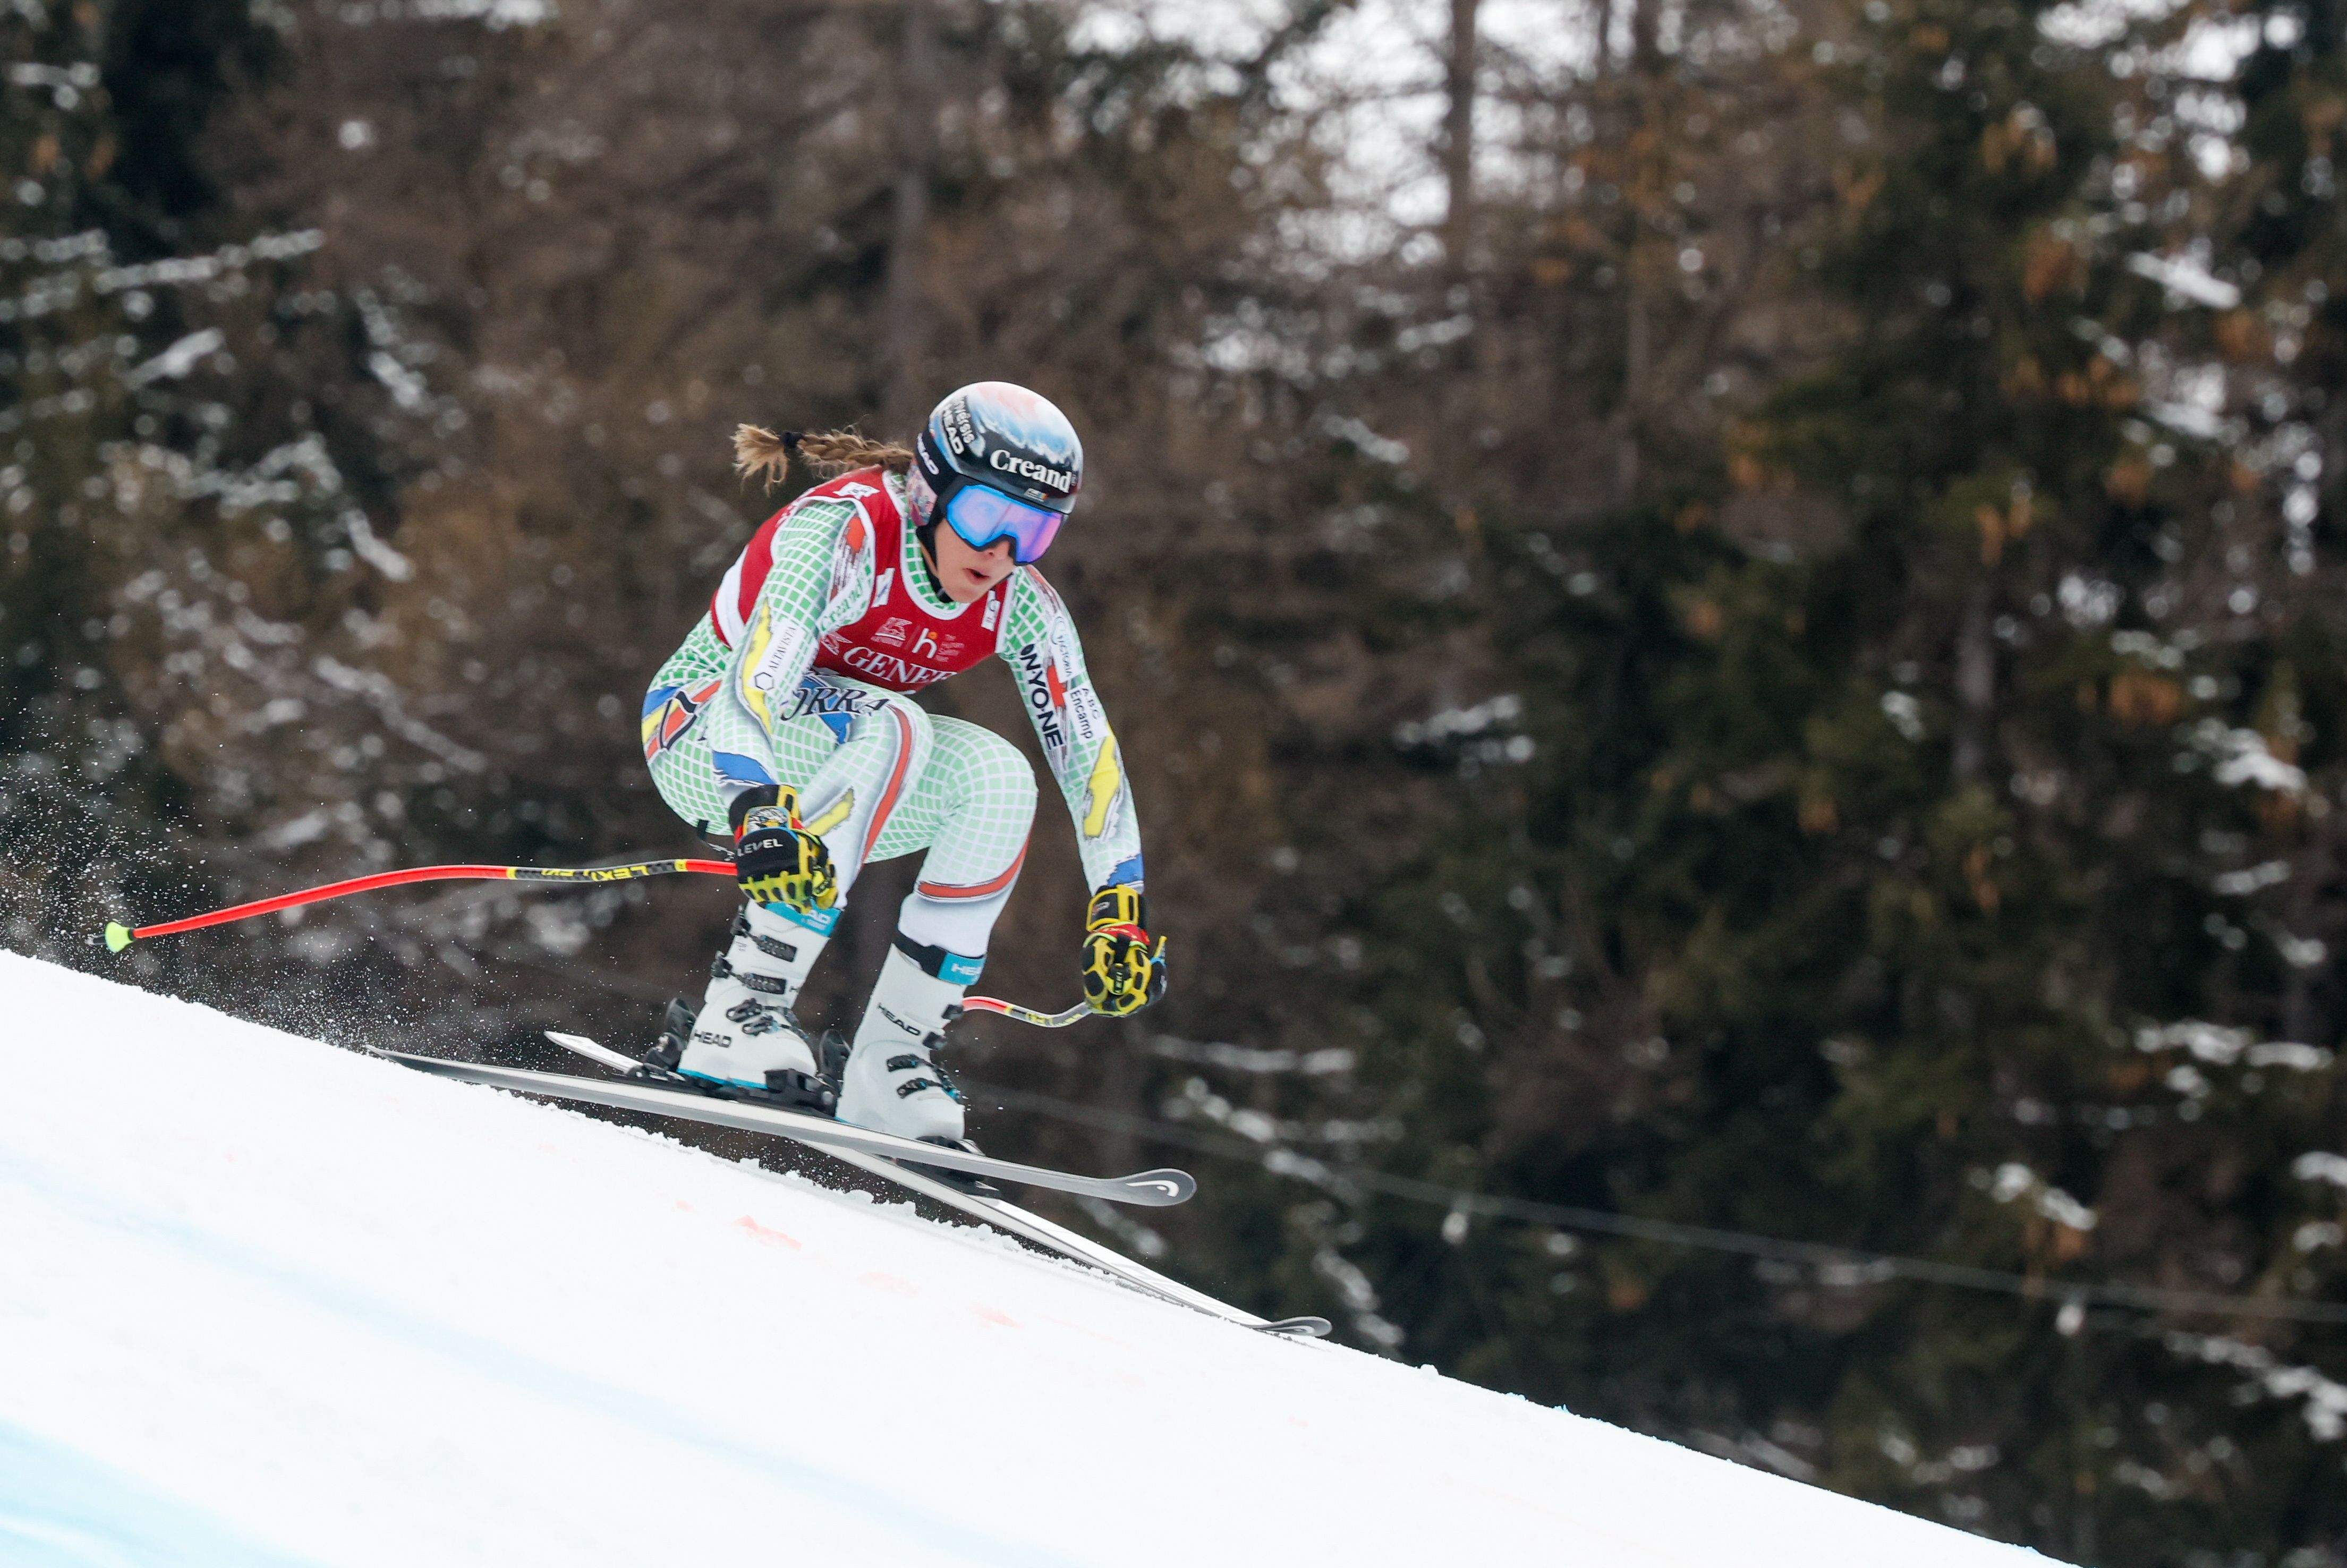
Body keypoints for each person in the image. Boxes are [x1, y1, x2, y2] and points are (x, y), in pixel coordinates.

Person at [637, 381, 1166, 1157]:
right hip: (704, 736)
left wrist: (1120, 905)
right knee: (895, 723)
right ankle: (741, 1007)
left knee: (998, 779)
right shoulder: (844, 534)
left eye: (1034, 531)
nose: (1002, 554)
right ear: (929, 491)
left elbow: (1088, 757)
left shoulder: (1021, 604)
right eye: (988, 517)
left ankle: (892, 1059)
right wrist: (756, 806)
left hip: (841, 776)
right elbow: (756, 680)